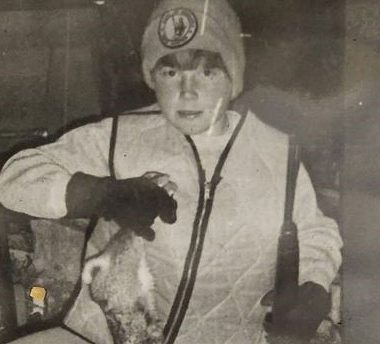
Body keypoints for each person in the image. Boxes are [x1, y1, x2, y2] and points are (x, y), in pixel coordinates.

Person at [0, 0, 342, 343]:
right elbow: (13, 177)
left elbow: (315, 232)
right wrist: (101, 194)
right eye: (171, 72)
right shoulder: (121, 135)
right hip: (103, 337)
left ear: (233, 78)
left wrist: (313, 284)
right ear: (153, 79)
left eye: (207, 72)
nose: (187, 91)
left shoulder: (278, 152)